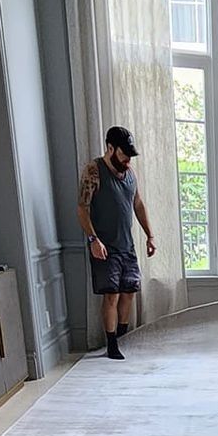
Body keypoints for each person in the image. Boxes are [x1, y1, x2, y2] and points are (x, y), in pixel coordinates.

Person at [77, 125, 156, 358]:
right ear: (110, 148)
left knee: (129, 292)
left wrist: (149, 235)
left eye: (130, 156)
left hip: (127, 245)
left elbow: (138, 204)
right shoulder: (94, 171)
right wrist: (93, 239)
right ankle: (111, 344)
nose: (127, 160)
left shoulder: (130, 173)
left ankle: (122, 337)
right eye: (123, 154)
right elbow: (82, 208)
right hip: (104, 245)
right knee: (111, 295)